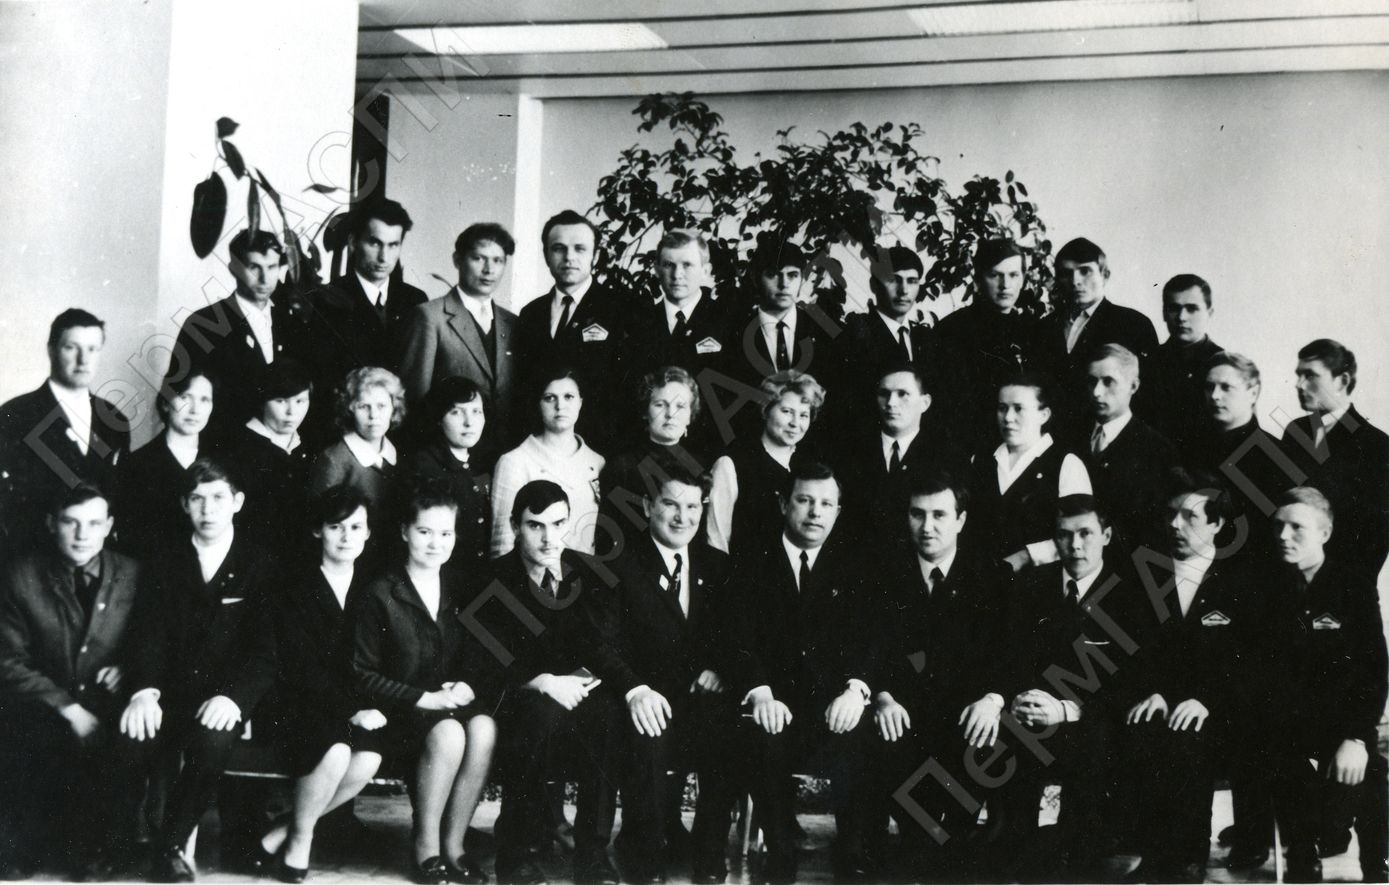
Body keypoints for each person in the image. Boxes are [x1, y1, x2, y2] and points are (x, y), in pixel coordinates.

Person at [119, 458, 279, 882]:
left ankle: (170, 847)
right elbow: (147, 633)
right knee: (132, 735)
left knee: (211, 742)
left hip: (224, 696)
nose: (208, 509)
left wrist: (235, 697)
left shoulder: (260, 563)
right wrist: (144, 690)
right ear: (184, 505)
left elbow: (267, 649)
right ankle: (118, 842)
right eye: (197, 498)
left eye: (218, 498)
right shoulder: (164, 558)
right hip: (168, 691)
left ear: (237, 502)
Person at [585, 455, 742, 884]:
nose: (682, 517)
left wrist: (719, 668)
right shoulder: (618, 563)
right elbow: (600, 644)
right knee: (648, 732)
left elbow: (735, 635)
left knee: (726, 727)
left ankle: (709, 853)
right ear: (647, 506)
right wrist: (635, 689)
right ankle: (645, 854)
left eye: (692, 507)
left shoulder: (716, 565)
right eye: (671, 504)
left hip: (696, 696)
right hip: (641, 695)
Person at [462, 480, 623, 885]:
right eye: (536, 525)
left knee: (607, 713)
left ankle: (592, 854)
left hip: (577, 691)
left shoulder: (588, 572)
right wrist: (542, 681)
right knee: (535, 717)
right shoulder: (490, 579)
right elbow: (482, 659)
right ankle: (515, 855)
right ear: (515, 526)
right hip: (518, 695)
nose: (549, 538)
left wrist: (580, 681)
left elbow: (604, 642)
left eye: (558, 523)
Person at [722, 462, 876, 884]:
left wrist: (856, 690)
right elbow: (736, 637)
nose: (815, 512)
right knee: (760, 733)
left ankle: (853, 852)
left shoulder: (856, 565)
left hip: (832, 704)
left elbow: (871, 638)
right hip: (776, 701)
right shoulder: (751, 561)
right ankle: (781, 853)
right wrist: (760, 691)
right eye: (805, 500)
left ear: (838, 510)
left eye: (826, 504)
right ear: (783, 504)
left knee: (862, 731)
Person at [991, 495, 1154, 882]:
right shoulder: (1031, 586)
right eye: (1064, 535)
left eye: (1085, 534)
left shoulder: (1131, 595)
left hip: (1093, 719)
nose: (1075, 545)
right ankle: (1014, 848)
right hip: (1034, 713)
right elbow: (1010, 656)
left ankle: (1078, 853)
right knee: (1003, 739)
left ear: (1106, 536)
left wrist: (1066, 709)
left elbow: (1132, 679)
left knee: (1096, 744)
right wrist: (1022, 698)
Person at [350, 480, 496, 885]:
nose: (436, 543)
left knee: (484, 727)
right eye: (425, 531)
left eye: (445, 533)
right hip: (400, 712)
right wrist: (423, 698)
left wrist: (467, 685)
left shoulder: (461, 587)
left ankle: (455, 845)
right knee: (450, 734)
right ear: (404, 532)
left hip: (449, 704)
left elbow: (481, 654)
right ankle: (426, 847)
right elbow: (363, 673)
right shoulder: (382, 592)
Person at [0, 484, 146, 880]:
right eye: (71, 522)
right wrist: (68, 708)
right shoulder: (20, 575)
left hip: (108, 699)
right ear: (52, 524)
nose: (83, 535)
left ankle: (96, 849)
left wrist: (129, 668)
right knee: (31, 739)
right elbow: (7, 660)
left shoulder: (133, 574)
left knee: (127, 746)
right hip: (43, 701)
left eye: (94, 524)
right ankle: (26, 846)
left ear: (109, 526)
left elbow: (152, 641)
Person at [869, 471, 1009, 879]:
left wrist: (992, 699)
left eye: (939, 515)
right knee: (884, 740)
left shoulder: (992, 577)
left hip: (967, 713)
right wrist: (883, 697)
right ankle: (923, 845)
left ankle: (948, 846)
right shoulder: (884, 574)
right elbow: (871, 649)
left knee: (987, 738)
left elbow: (1009, 653)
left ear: (961, 520)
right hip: (905, 711)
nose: (927, 526)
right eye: (917, 514)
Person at [1119, 471, 1251, 884]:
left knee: (1189, 739)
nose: (1175, 525)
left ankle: (1189, 858)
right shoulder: (1145, 577)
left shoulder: (1241, 582)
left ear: (1217, 523)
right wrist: (1153, 692)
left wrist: (1207, 699)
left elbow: (1249, 661)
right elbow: (1132, 651)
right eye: (1171, 514)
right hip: (1161, 704)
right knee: (1144, 728)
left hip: (1223, 710)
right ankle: (1153, 855)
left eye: (1190, 516)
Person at [1256, 487, 1387, 883]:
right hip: (1283, 727)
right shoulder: (1265, 587)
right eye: (1278, 526)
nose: (1283, 536)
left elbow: (1372, 669)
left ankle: (1377, 866)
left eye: (1297, 527)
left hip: (1340, 724)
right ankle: (1302, 859)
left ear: (1325, 533)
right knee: (1282, 766)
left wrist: (1356, 738)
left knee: (1371, 772)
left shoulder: (1352, 585)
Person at [255, 487, 385, 883]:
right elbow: (299, 667)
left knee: (369, 757)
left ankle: (284, 829)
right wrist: (351, 710)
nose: (346, 537)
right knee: (336, 750)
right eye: (335, 527)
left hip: (356, 702)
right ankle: (301, 840)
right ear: (318, 531)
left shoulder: (374, 586)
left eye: (356, 527)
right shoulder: (293, 586)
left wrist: (362, 706)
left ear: (368, 533)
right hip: (296, 700)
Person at [0, 308, 131, 551]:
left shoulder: (114, 420)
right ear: (51, 350)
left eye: (92, 349)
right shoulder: (15, 415)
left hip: (99, 560)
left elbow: (120, 497)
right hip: (32, 557)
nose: (84, 360)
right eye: (71, 347)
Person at [166, 229, 312, 432]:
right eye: (254, 267)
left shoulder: (291, 323)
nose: (264, 278)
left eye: (272, 267)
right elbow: (177, 393)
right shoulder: (203, 324)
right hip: (224, 443)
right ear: (233, 269)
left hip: (281, 444)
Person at [514, 210, 627, 454]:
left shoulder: (622, 309)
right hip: (540, 449)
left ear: (595, 255)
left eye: (580, 249)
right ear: (546, 255)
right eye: (559, 248)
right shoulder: (531, 313)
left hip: (601, 449)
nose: (569, 257)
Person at [397, 222, 519, 442]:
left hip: (502, 450)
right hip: (445, 452)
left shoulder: (512, 323)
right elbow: (415, 399)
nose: (489, 270)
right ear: (457, 260)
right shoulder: (430, 317)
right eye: (478, 258)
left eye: (498, 261)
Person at [1279, 339, 1389, 581]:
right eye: (1298, 375)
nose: (1299, 384)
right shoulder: (1295, 431)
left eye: (1310, 375)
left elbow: (1377, 535)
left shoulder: (1376, 444)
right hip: (1286, 580)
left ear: (1343, 381)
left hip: (1340, 586)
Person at [621, 231, 735, 448]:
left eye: (687, 265)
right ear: (657, 269)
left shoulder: (728, 322)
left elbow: (734, 398)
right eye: (668, 265)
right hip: (648, 449)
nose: (677, 274)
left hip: (710, 447)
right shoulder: (638, 324)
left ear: (705, 270)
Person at [932, 239, 1047, 452]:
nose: (1005, 285)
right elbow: (944, 408)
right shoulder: (952, 330)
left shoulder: (1035, 331)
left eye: (1014, 275)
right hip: (969, 450)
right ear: (978, 279)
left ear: (1023, 279)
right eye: (995, 275)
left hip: (1025, 450)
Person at [966, 374, 1091, 570]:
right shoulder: (981, 461)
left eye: (1019, 408)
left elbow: (1082, 533)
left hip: (1041, 579)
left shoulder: (1066, 464)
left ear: (1044, 415)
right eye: (1002, 408)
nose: (1008, 417)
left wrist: (1026, 556)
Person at [1038, 238, 1159, 435]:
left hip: (1107, 441)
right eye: (1066, 273)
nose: (1076, 281)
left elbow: (1148, 396)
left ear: (1105, 275)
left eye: (1085, 271)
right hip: (1051, 439)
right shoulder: (1043, 327)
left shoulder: (1133, 324)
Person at [834, 363, 961, 546]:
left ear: (925, 403)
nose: (891, 403)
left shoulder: (947, 457)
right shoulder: (850, 452)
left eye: (903, 394)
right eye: (884, 394)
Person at [490, 368, 606, 558]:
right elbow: (502, 542)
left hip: (586, 571)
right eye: (550, 398)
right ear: (538, 404)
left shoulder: (597, 462)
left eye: (568, 397)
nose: (560, 406)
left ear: (580, 402)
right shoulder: (515, 461)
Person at [706, 370, 825, 555]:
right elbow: (717, 542)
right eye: (787, 411)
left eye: (803, 415)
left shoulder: (805, 469)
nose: (795, 423)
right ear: (766, 410)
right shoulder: (732, 464)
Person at [1072, 344, 1178, 550]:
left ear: (1133, 386)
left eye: (1108, 382)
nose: (1097, 392)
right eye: (1092, 381)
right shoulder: (1072, 437)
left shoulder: (1158, 450)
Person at [308, 199, 426, 378]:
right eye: (375, 243)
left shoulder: (415, 300)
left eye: (393, 245)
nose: (384, 257)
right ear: (353, 242)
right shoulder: (326, 299)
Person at [596, 366, 707, 556]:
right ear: (646, 411)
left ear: (690, 415)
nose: (670, 414)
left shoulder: (701, 467)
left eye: (680, 406)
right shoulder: (622, 467)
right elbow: (611, 537)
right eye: (660, 404)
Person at [309, 366, 406, 570]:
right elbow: (322, 523)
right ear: (350, 409)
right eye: (364, 407)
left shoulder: (395, 455)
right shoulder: (334, 459)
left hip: (391, 558)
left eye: (381, 406)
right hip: (349, 562)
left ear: (394, 409)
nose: (374, 415)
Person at [722, 240, 839, 408]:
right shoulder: (733, 333)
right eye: (773, 274)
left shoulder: (823, 331)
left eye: (792, 275)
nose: (784, 284)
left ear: (801, 280)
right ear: (756, 278)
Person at [833, 246, 938, 431]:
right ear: (874, 285)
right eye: (893, 280)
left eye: (912, 281)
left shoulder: (925, 339)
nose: (904, 290)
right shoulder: (853, 339)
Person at [115, 372, 217, 561]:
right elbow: (130, 540)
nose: (195, 410)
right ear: (165, 403)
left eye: (204, 400)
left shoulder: (222, 463)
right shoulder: (136, 465)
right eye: (185, 397)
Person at [222, 359, 315, 559]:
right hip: (250, 558)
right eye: (281, 401)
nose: (291, 412)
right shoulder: (240, 449)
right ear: (263, 400)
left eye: (300, 401)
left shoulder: (307, 448)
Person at [402, 376, 492, 568]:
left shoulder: (482, 462)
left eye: (476, 411)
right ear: (439, 419)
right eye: (456, 412)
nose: (469, 422)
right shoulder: (423, 466)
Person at [1141, 274, 1223, 450]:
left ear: (1210, 313)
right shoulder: (1146, 363)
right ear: (1164, 313)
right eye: (1174, 308)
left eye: (1192, 309)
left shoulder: (1224, 365)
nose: (1181, 317)